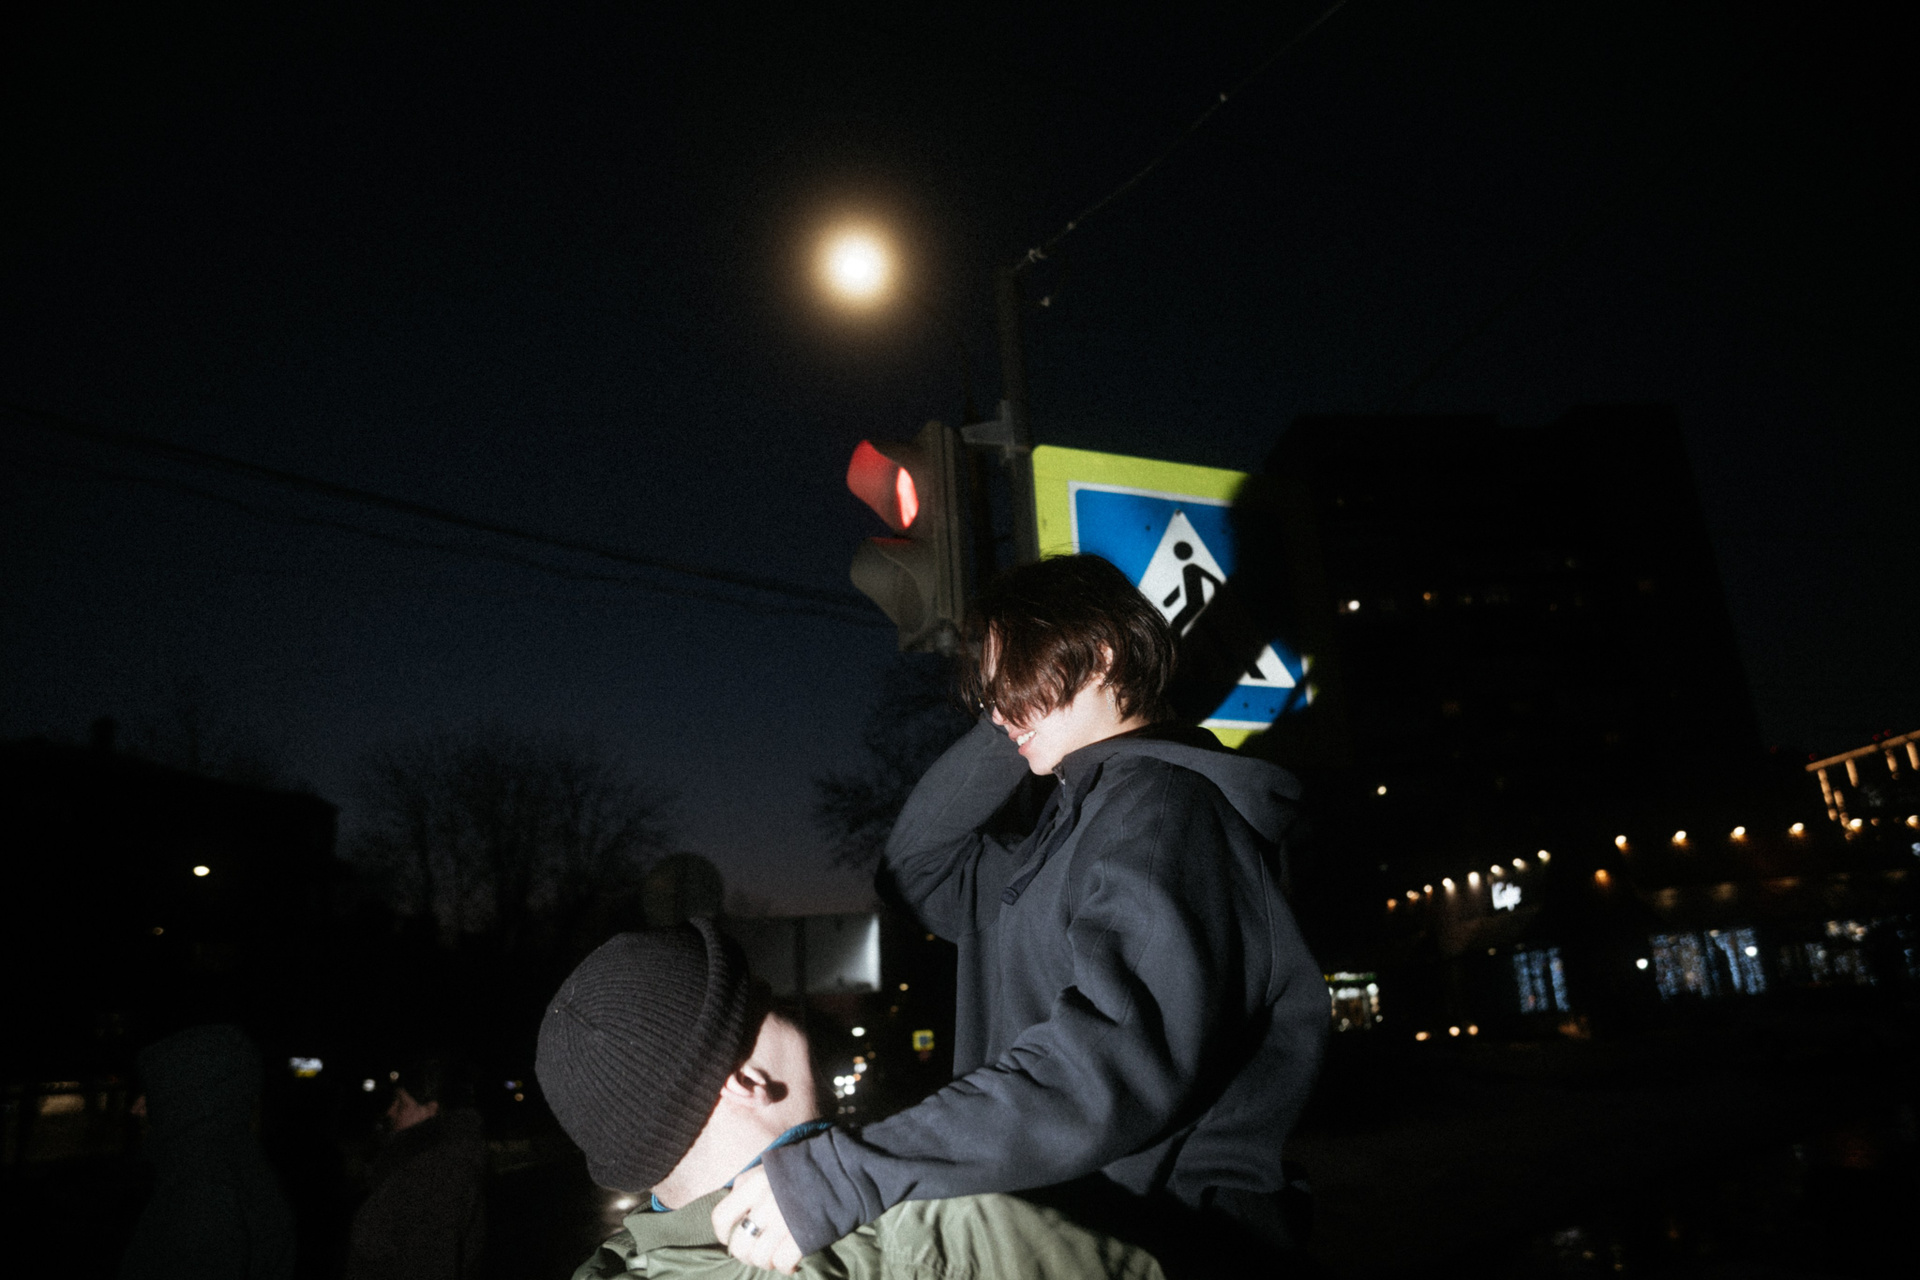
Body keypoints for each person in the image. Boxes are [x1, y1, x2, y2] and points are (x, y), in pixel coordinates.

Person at [717, 554, 1328, 1275]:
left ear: (1100, 654)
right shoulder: (1070, 829)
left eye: (1011, 685)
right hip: (1073, 1238)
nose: (998, 713)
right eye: (990, 695)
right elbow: (916, 869)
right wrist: (1026, 714)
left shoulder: (1161, 811)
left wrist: (854, 1173)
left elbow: (1113, 1060)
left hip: (1167, 1244)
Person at [537, 922, 1167, 1280]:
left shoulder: (614, 1268)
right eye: (766, 1002)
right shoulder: (931, 1236)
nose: (791, 1012)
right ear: (744, 1079)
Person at [117, 1023, 297, 1280]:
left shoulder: (204, 1198)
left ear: (188, 1103)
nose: (136, 1108)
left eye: (153, 1093)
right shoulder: (234, 1170)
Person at [343, 1058, 487, 1280]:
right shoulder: (424, 1165)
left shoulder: (432, 1176)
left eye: (401, 1104)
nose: (390, 1111)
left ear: (430, 1110)